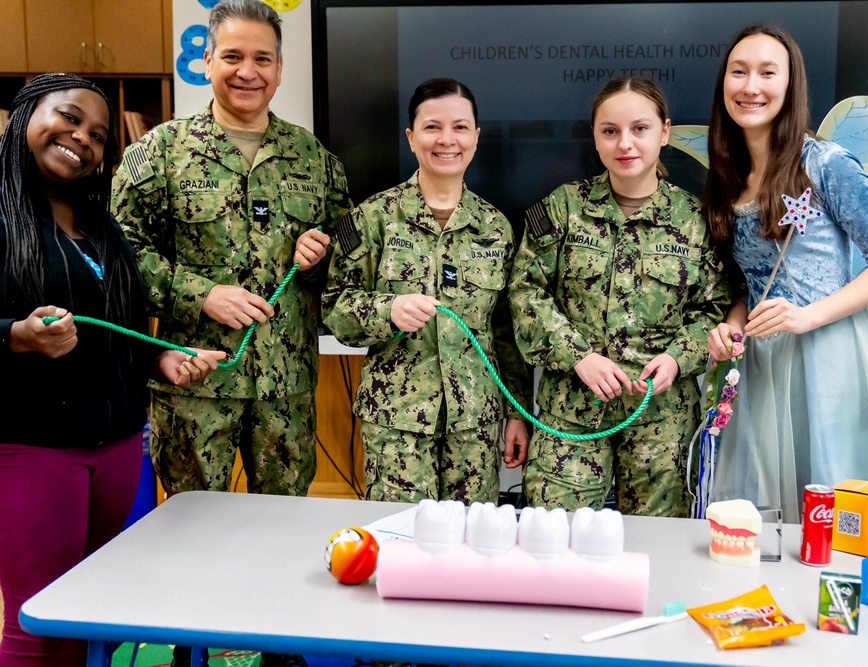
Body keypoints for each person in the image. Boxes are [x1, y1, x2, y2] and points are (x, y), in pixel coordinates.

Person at [112, 2, 350, 664]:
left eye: (263, 59)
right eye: (234, 57)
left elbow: (349, 260)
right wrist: (199, 292)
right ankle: (195, 648)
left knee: (286, 527)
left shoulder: (315, 159)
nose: (248, 72)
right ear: (207, 61)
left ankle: (280, 648)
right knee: (195, 532)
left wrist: (325, 253)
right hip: (196, 383)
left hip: (286, 386)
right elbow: (120, 256)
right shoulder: (157, 153)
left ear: (280, 68)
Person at [702, 25, 868, 573]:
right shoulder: (728, 177)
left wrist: (807, 316)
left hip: (833, 361)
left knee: (838, 513)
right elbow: (748, 283)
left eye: (768, 72)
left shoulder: (825, 164)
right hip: (762, 366)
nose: (751, 86)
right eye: (739, 71)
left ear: (791, 84)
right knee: (767, 530)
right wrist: (732, 323)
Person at [0, 73, 222, 667]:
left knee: (88, 614)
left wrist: (162, 358)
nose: (83, 139)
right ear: (27, 114)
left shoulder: (99, 225)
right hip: (35, 451)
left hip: (119, 448)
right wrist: (17, 337)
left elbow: (114, 326)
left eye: (98, 135)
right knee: (37, 621)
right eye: (69, 118)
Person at [508, 76, 731, 517]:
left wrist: (677, 358)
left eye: (640, 129)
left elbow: (716, 309)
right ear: (595, 137)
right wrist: (579, 356)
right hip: (572, 415)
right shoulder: (561, 208)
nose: (625, 143)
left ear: (664, 132)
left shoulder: (696, 220)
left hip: (662, 422)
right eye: (610, 130)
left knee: (658, 552)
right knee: (555, 543)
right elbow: (525, 295)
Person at [323, 78, 530, 505]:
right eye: (433, 127)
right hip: (397, 422)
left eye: (460, 127)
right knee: (400, 542)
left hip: (475, 422)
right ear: (411, 137)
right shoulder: (373, 218)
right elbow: (335, 308)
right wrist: (387, 310)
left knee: (471, 547)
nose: (447, 140)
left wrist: (516, 413)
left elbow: (507, 332)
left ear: (476, 136)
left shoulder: (496, 228)